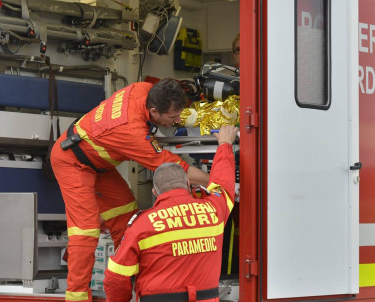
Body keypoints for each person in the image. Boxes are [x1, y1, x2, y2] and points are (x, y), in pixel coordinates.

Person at [51, 78, 210, 302]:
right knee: (85, 231)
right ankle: (76, 297)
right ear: (154, 110)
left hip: (97, 164)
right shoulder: (131, 131)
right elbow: (177, 169)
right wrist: (217, 181)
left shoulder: (144, 90)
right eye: (173, 117)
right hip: (72, 162)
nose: (177, 121)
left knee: (127, 218)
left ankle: (129, 285)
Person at [103, 125, 238, 302]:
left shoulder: (141, 225)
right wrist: (225, 144)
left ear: (155, 193)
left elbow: (116, 277)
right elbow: (223, 183)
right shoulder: (213, 209)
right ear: (189, 185)